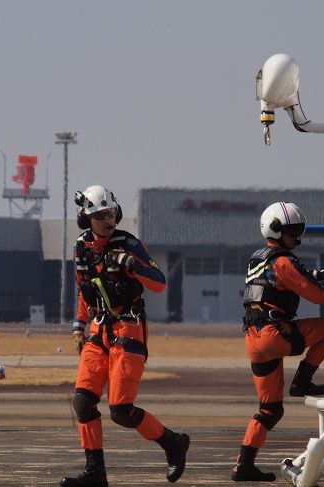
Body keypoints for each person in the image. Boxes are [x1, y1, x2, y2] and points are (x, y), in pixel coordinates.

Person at [60, 185, 189, 487]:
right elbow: (83, 289)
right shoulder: (80, 247)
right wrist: (78, 326)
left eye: (110, 213)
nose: (108, 220)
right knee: (82, 402)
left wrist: (131, 264)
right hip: (98, 329)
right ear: (86, 219)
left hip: (129, 326)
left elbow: (159, 282)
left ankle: (173, 443)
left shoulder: (129, 244)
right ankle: (95, 473)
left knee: (120, 410)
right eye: (100, 215)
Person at [231, 202, 324, 482]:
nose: (298, 237)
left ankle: (243, 465)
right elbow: (317, 295)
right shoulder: (283, 260)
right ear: (277, 230)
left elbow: (290, 280)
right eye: (293, 231)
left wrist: (314, 275)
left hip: (253, 340)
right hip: (274, 335)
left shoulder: (259, 257)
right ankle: (302, 381)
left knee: (270, 409)